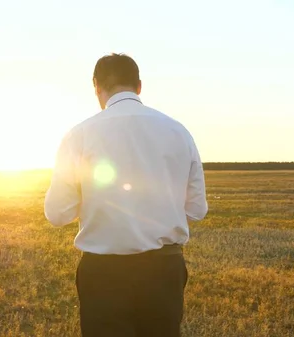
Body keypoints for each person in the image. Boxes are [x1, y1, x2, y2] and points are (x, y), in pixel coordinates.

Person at [44, 53, 208, 337]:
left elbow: (57, 213)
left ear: (96, 86)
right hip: (164, 269)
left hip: (104, 273)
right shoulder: (178, 131)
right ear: (139, 86)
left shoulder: (80, 135)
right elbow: (197, 209)